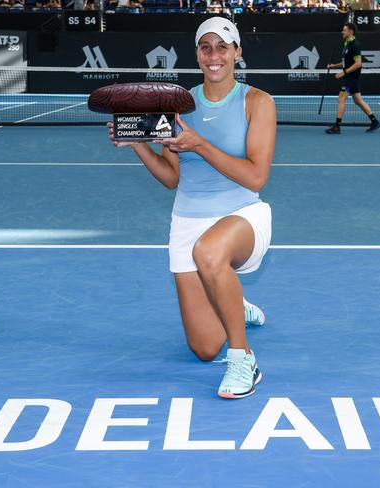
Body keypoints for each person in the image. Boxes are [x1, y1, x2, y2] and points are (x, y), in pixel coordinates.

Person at [106, 17, 275, 399]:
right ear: (197, 54)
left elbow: (255, 178)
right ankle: (233, 301)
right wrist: (137, 144)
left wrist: (199, 145)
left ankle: (243, 359)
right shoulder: (178, 104)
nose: (214, 56)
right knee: (202, 348)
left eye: (222, 47)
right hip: (188, 218)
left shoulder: (258, 102)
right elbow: (171, 178)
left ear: (237, 53)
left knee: (209, 251)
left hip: (244, 217)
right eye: (206, 47)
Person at [326, 22, 380, 134]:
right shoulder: (347, 44)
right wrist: (334, 66)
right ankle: (375, 121)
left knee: (341, 98)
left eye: (344, 30)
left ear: (350, 31)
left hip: (352, 78)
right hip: (349, 77)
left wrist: (343, 72)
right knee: (358, 100)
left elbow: (358, 63)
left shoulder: (355, 45)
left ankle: (337, 126)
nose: (342, 32)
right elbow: (345, 63)